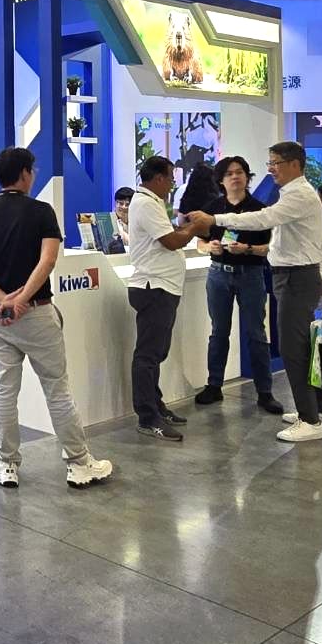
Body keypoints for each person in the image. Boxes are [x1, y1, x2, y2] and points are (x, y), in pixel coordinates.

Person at [0, 147, 112, 489]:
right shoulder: (42, 212)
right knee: (57, 390)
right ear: (25, 174)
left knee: (4, 390)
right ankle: (78, 463)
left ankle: (6, 464)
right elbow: (47, 261)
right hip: (37, 314)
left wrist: (4, 299)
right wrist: (22, 299)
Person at [189, 141, 322, 444]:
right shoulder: (295, 194)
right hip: (297, 275)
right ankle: (319, 410)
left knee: (294, 349)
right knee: (303, 346)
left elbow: (262, 220)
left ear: (294, 164)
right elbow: (320, 240)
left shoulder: (297, 196)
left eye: (275, 163)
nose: (271, 169)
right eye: (269, 163)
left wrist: (215, 220)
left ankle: (310, 420)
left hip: (295, 277)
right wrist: (320, 273)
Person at [194, 156, 282, 415]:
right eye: (230, 173)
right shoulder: (212, 209)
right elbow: (199, 242)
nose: (235, 177)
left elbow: (270, 248)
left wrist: (248, 248)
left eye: (240, 172)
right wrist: (208, 247)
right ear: (221, 180)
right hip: (218, 274)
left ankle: (264, 391)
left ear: (247, 177)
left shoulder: (259, 209)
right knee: (218, 331)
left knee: (256, 332)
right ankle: (214, 385)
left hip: (250, 274)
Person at [128, 156, 204, 441]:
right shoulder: (146, 204)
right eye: (170, 178)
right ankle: (148, 417)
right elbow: (171, 241)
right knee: (148, 355)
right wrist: (194, 228)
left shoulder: (151, 203)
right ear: (158, 178)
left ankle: (156, 406)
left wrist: (183, 227)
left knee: (156, 353)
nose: (172, 184)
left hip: (163, 287)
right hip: (153, 287)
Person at [107, 186, 134, 254]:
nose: (124, 207)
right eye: (121, 203)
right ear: (115, 203)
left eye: (127, 204)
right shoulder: (109, 221)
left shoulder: (137, 221)